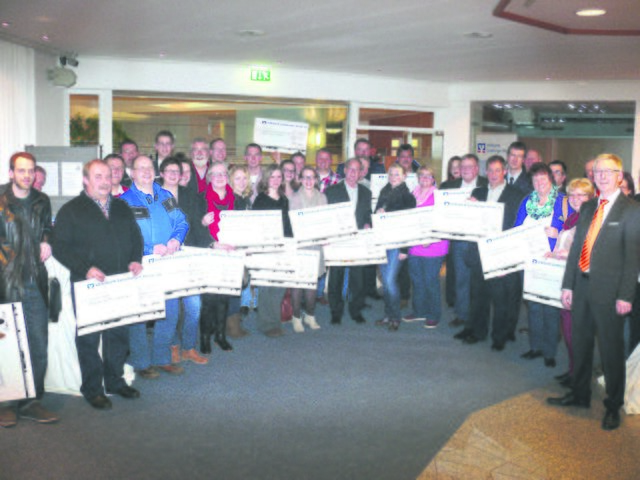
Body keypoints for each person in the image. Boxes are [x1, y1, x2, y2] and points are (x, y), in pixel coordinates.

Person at [548, 153, 640, 431]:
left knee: (611, 351)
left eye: (607, 172)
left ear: (619, 176)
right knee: (581, 343)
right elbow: (577, 250)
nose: (601, 176)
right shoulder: (588, 207)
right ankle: (579, 395)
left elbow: (633, 256)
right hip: (582, 287)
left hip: (611, 293)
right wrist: (568, 284)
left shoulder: (631, 209)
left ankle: (613, 405)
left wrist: (626, 295)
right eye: (597, 172)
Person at [53, 159, 144, 410]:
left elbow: (136, 237)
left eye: (107, 176)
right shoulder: (71, 210)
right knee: (89, 338)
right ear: (86, 180)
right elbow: (60, 247)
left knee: (118, 335)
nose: (105, 181)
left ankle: (114, 381)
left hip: (119, 283)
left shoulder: (122, 207)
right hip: (88, 284)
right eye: (98, 176)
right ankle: (92, 389)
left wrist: (135, 260)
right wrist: (85, 269)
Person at [0, 152, 58, 427]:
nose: (27, 175)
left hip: (35, 280)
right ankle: (7, 402)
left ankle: (32, 400)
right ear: (11, 173)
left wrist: (47, 239)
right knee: (8, 345)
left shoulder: (41, 200)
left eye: (31, 171)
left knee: (38, 343)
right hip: (5, 281)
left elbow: (47, 227)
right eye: (21, 171)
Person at [121, 155, 189, 378]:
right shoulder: (124, 201)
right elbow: (124, 236)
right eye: (140, 168)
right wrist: (150, 248)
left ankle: (162, 358)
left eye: (149, 167)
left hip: (168, 264)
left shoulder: (165, 195)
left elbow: (181, 222)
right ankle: (141, 362)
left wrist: (176, 239)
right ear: (132, 173)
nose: (146, 171)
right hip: (140, 265)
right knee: (140, 315)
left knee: (169, 311)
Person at [460, 155, 525, 349]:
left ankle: (499, 336)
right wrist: (467, 206)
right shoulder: (478, 192)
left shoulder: (516, 194)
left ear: (504, 171)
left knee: (500, 298)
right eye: (490, 170)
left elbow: (517, 225)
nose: (494, 174)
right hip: (479, 250)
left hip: (500, 252)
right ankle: (478, 332)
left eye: (498, 170)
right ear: (485, 172)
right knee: (478, 295)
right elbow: (468, 220)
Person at [515, 162, 573, 367]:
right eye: (535, 179)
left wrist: (558, 235)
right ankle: (535, 347)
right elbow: (516, 229)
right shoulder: (526, 202)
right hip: (529, 262)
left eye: (543, 178)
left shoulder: (564, 202)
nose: (539, 182)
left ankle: (549, 351)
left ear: (552, 180)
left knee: (550, 307)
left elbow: (576, 231)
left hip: (552, 262)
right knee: (533, 306)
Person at [158, 157, 210, 365]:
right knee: (170, 310)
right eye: (168, 171)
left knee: (194, 307)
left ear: (181, 175)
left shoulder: (191, 196)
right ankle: (172, 346)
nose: (172, 174)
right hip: (164, 259)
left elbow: (198, 227)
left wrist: (211, 246)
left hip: (188, 257)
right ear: (161, 173)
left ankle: (188, 347)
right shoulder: (152, 197)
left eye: (176, 171)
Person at [544, 178, 595, 385]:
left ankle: (580, 376)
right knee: (569, 330)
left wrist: (568, 255)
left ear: (590, 198)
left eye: (581, 195)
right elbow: (564, 246)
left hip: (581, 283)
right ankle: (574, 370)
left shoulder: (592, 220)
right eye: (572, 195)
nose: (575, 199)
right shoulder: (573, 218)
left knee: (577, 333)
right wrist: (553, 253)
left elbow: (592, 254)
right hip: (566, 280)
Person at [441, 154, 488, 332]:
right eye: (464, 166)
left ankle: (476, 316)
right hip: (459, 240)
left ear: (477, 169)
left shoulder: (486, 185)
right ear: (459, 169)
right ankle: (462, 315)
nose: (467, 169)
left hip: (479, 241)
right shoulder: (450, 187)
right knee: (460, 279)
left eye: (471, 166)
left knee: (478, 282)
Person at [325, 158, 372, 325]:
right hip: (338, 240)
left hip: (357, 241)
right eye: (350, 169)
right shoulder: (332, 191)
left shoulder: (366, 193)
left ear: (361, 173)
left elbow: (368, 214)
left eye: (357, 170)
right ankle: (335, 312)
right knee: (336, 277)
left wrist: (368, 223)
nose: (353, 173)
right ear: (344, 170)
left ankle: (356, 310)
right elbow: (327, 216)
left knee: (358, 278)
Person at [403, 166, 449, 328]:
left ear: (433, 178)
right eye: (421, 175)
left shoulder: (439, 196)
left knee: (430, 281)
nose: (424, 178)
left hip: (434, 245)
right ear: (417, 177)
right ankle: (419, 311)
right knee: (417, 280)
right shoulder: (412, 194)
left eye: (428, 176)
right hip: (415, 245)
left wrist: (431, 236)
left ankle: (433, 314)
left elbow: (443, 220)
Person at [374, 164, 416, 331]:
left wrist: (405, 249)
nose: (393, 176)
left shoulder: (408, 197)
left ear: (404, 176)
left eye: (397, 174)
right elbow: (375, 215)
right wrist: (377, 213)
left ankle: (395, 317)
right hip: (382, 242)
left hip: (397, 245)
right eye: (391, 174)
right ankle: (388, 314)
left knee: (390, 282)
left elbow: (409, 225)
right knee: (385, 282)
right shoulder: (384, 193)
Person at [252, 164, 293, 337]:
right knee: (266, 287)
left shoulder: (284, 199)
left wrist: (291, 244)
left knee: (279, 286)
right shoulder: (260, 200)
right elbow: (255, 225)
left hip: (283, 246)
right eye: (272, 177)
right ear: (266, 179)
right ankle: (266, 324)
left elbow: (287, 224)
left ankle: (275, 321)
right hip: (266, 248)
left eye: (279, 177)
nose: (276, 180)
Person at [200, 161, 236, 351]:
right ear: (209, 178)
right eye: (215, 174)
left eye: (223, 173)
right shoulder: (201, 199)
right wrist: (203, 223)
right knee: (209, 299)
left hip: (230, 253)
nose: (220, 177)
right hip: (210, 252)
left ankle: (220, 335)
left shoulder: (235, 198)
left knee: (224, 297)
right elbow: (194, 231)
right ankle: (205, 337)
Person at [288, 166, 326, 332]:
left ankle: (310, 316)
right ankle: (296, 317)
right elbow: (294, 224)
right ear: (301, 180)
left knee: (312, 284)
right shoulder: (294, 198)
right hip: (300, 245)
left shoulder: (323, 197)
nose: (309, 181)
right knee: (298, 284)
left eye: (312, 177)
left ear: (316, 180)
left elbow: (325, 222)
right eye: (305, 177)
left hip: (316, 246)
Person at [226, 165, 252, 336]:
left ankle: (233, 325)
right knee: (232, 288)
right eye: (237, 178)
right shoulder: (230, 199)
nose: (241, 182)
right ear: (230, 180)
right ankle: (232, 327)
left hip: (242, 247)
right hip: (231, 249)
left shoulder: (244, 199)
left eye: (244, 178)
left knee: (238, 286)